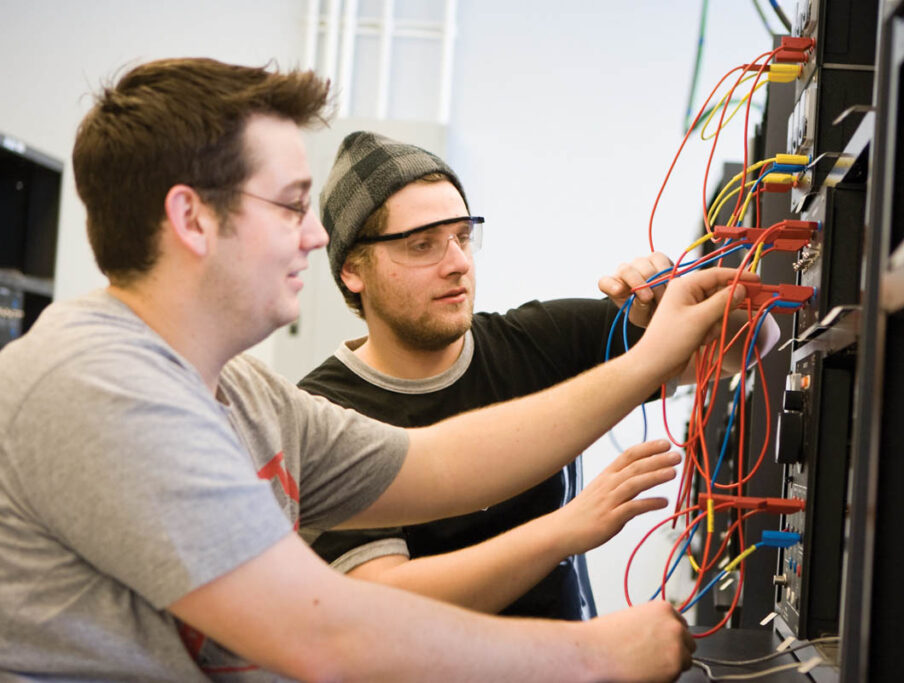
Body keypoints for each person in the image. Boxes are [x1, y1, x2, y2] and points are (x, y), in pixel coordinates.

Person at [0, 57, 754, 681]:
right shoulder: (99, 385)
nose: (315, 236)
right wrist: (592, 657)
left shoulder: (244, 391)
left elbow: (435, 462)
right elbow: (326, 636)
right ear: (192, 218)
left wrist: (648, 357)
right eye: (292, 206)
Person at [300, 131, 708, 620]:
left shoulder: (538, 340)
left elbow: (749, 347)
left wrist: (676, 301)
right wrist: (566, 530)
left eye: (462, 236)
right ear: (352, 270)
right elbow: (385, 604)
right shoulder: (324, 415)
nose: (457, 264)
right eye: (422, 244)